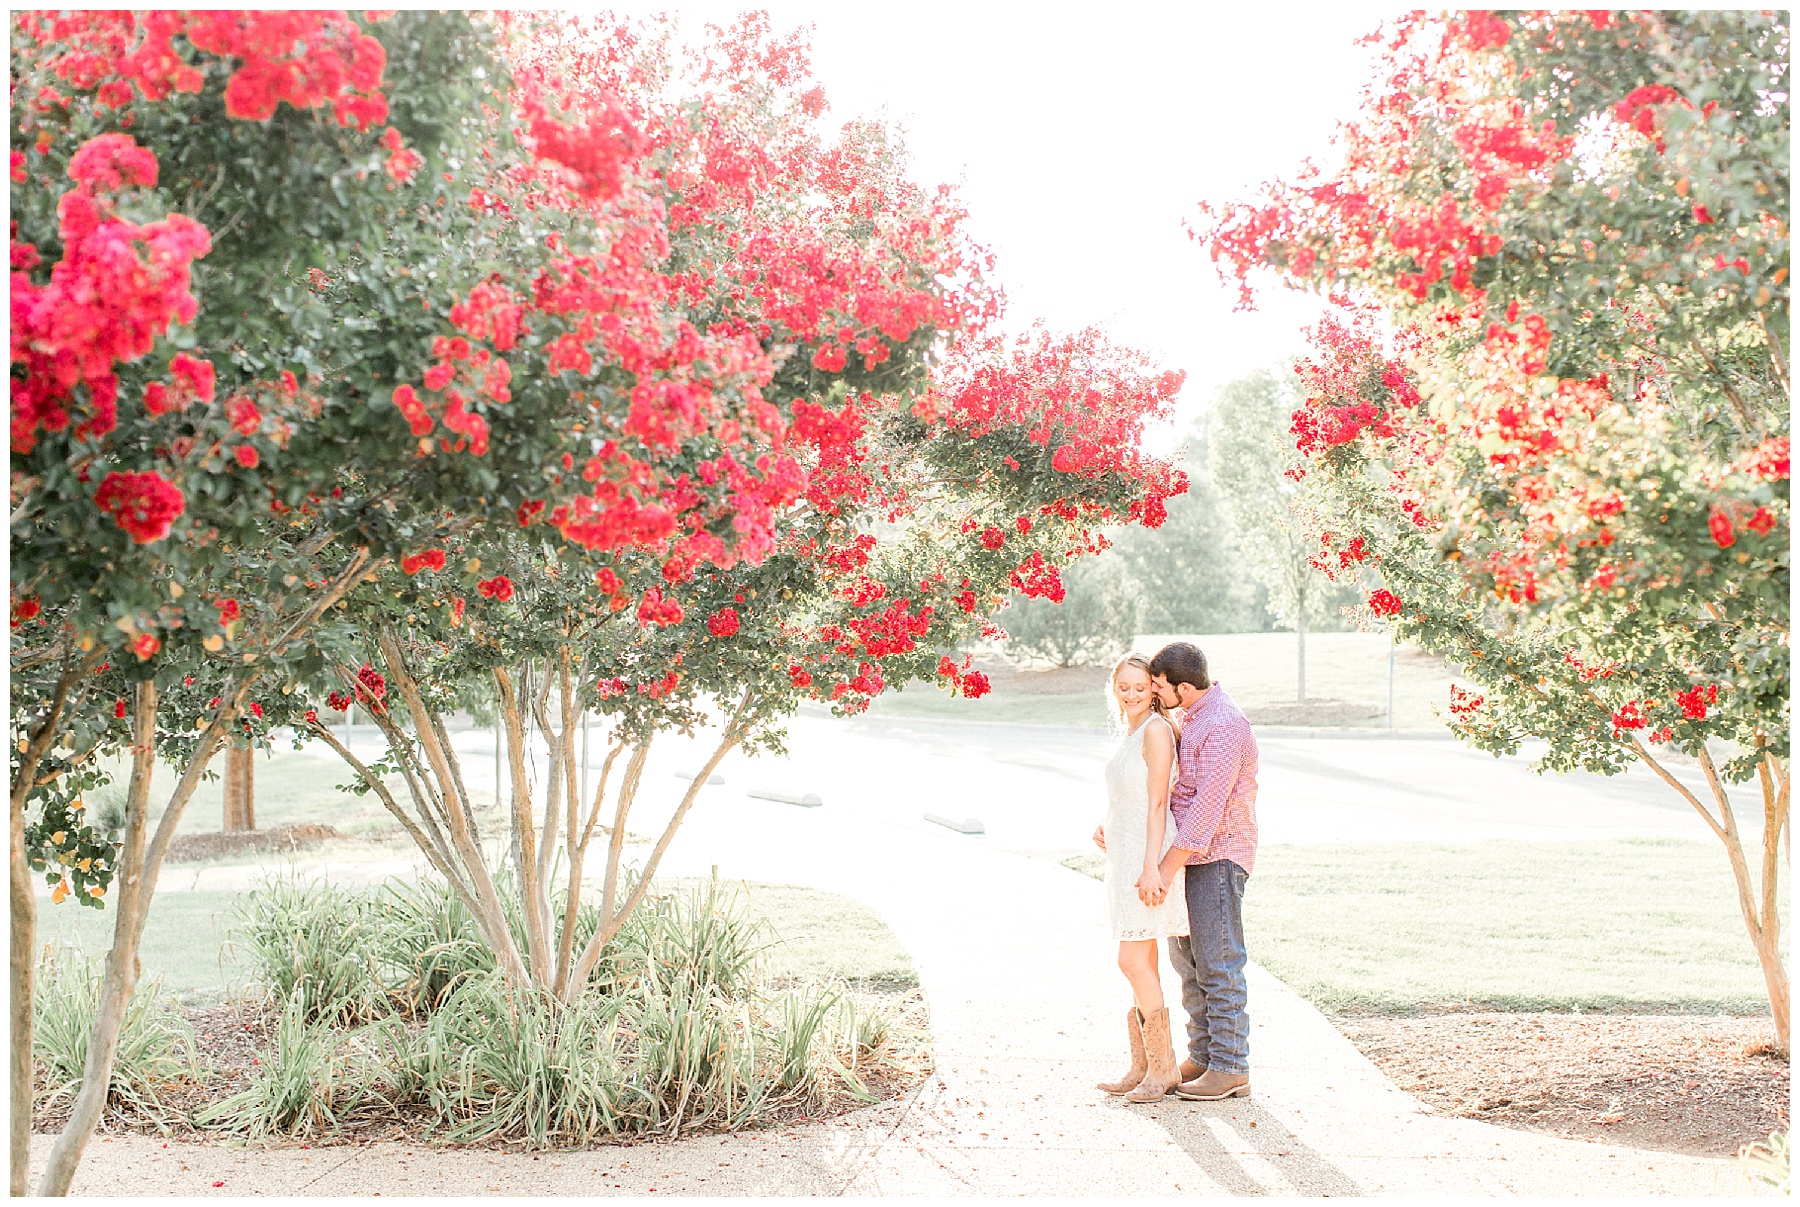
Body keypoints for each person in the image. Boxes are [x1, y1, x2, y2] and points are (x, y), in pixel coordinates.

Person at [1144, 641, 1259, 1101]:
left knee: (1218, 963)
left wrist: (1165, 868)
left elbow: (1206, 811)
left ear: (1184, 687)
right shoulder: (1192, 716)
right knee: (1188, 963)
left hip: (1217, 857)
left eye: (1159, 686)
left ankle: (1232, 1067)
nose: (1155, 692)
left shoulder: (1225, 726)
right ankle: (1205, 1056)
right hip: (1190, 857)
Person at [1088, 654, 1189, 1102]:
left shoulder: (1155, 730)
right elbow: (1128, 796)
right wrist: (1104, 823)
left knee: (1130, 961)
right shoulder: (1131, 732)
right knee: (1142, 963)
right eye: (1122, 687)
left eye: (1138, 686)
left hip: (1145, 860)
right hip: (1125, 855)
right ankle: (1145, 1066)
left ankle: (1163, 1069)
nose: (1130, 694)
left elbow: (1156, 805)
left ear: (1153, 688)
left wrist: (1153, 867)